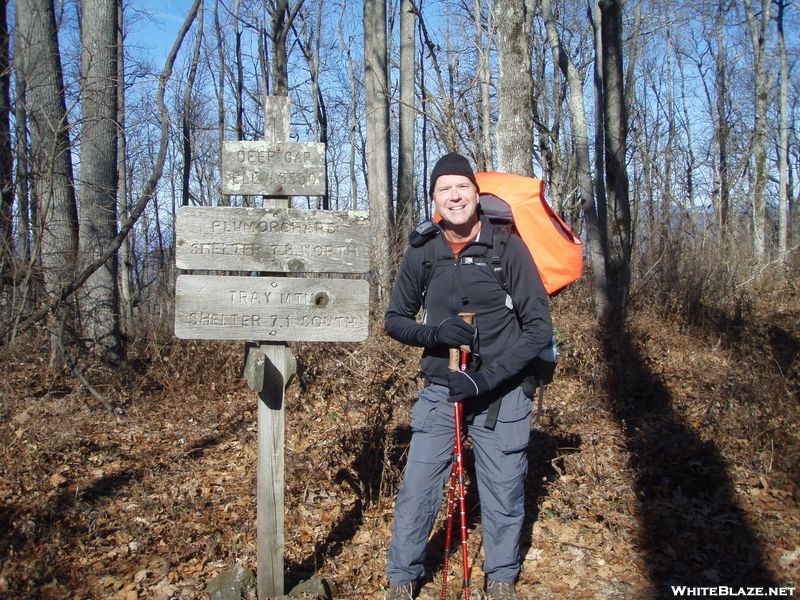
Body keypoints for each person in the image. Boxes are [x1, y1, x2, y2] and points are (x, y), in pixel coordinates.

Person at [383, 153, 553, 600]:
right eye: (444, 189)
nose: (454, 196)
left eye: (462, 187)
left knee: (503, 487)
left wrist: (485, 378)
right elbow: (395, 319)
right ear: (434, 199)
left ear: (477, 194)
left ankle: (500, 577)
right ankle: (401, 580)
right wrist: (433, 333)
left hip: (503, 390)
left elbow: (538, 328)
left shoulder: (507, 246)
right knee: (419, 484)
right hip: (443, 387)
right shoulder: (424, 249)